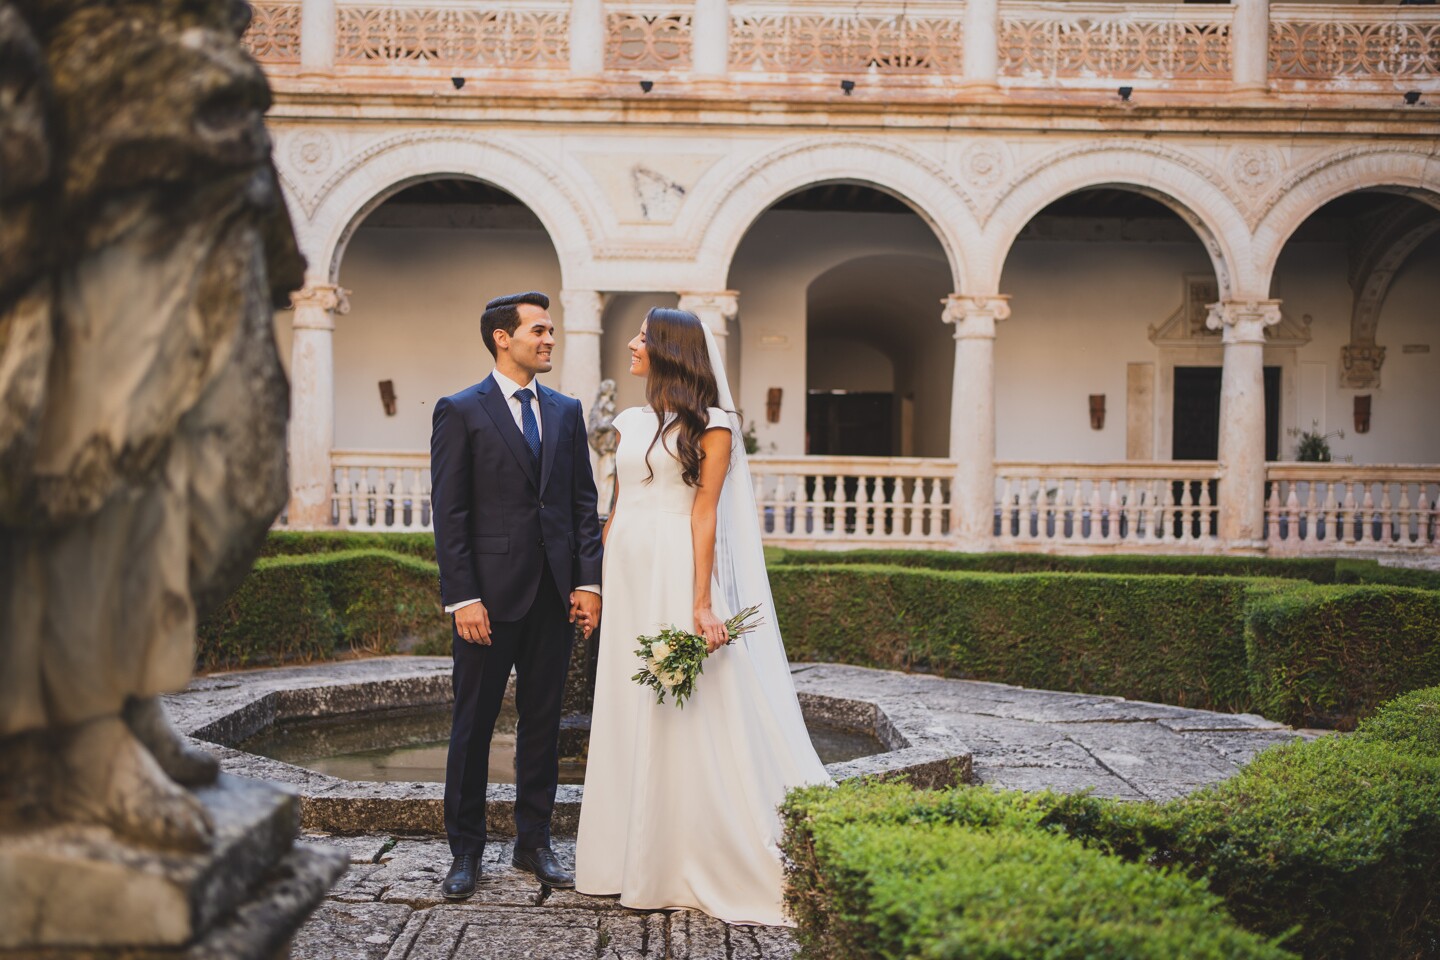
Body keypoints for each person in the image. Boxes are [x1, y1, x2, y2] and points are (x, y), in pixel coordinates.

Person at [575, 307, 831, 926]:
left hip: (674, 565)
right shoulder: (631, 421)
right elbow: (616, 505)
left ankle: (679, 856)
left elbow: (704, 513)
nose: (632, 344)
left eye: (642, 337)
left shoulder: (713, 425)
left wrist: (700, 601)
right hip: (626, 568)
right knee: (625, 698)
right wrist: (594, 584)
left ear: (669, 350)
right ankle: (617, 857)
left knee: (680, 704)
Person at [430, 291, 604, 899]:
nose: (550, 338)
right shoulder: (460, 410)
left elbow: (583, 505)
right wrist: (463, 598)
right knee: (471, 726)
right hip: (487, 603)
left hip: (554, 599)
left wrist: (587, 583)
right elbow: (450, 515)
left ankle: (534, 844)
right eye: (540, 329)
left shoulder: (565, 410)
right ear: (503, 337)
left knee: (542, 727)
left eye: (551, 330)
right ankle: (465, 853)